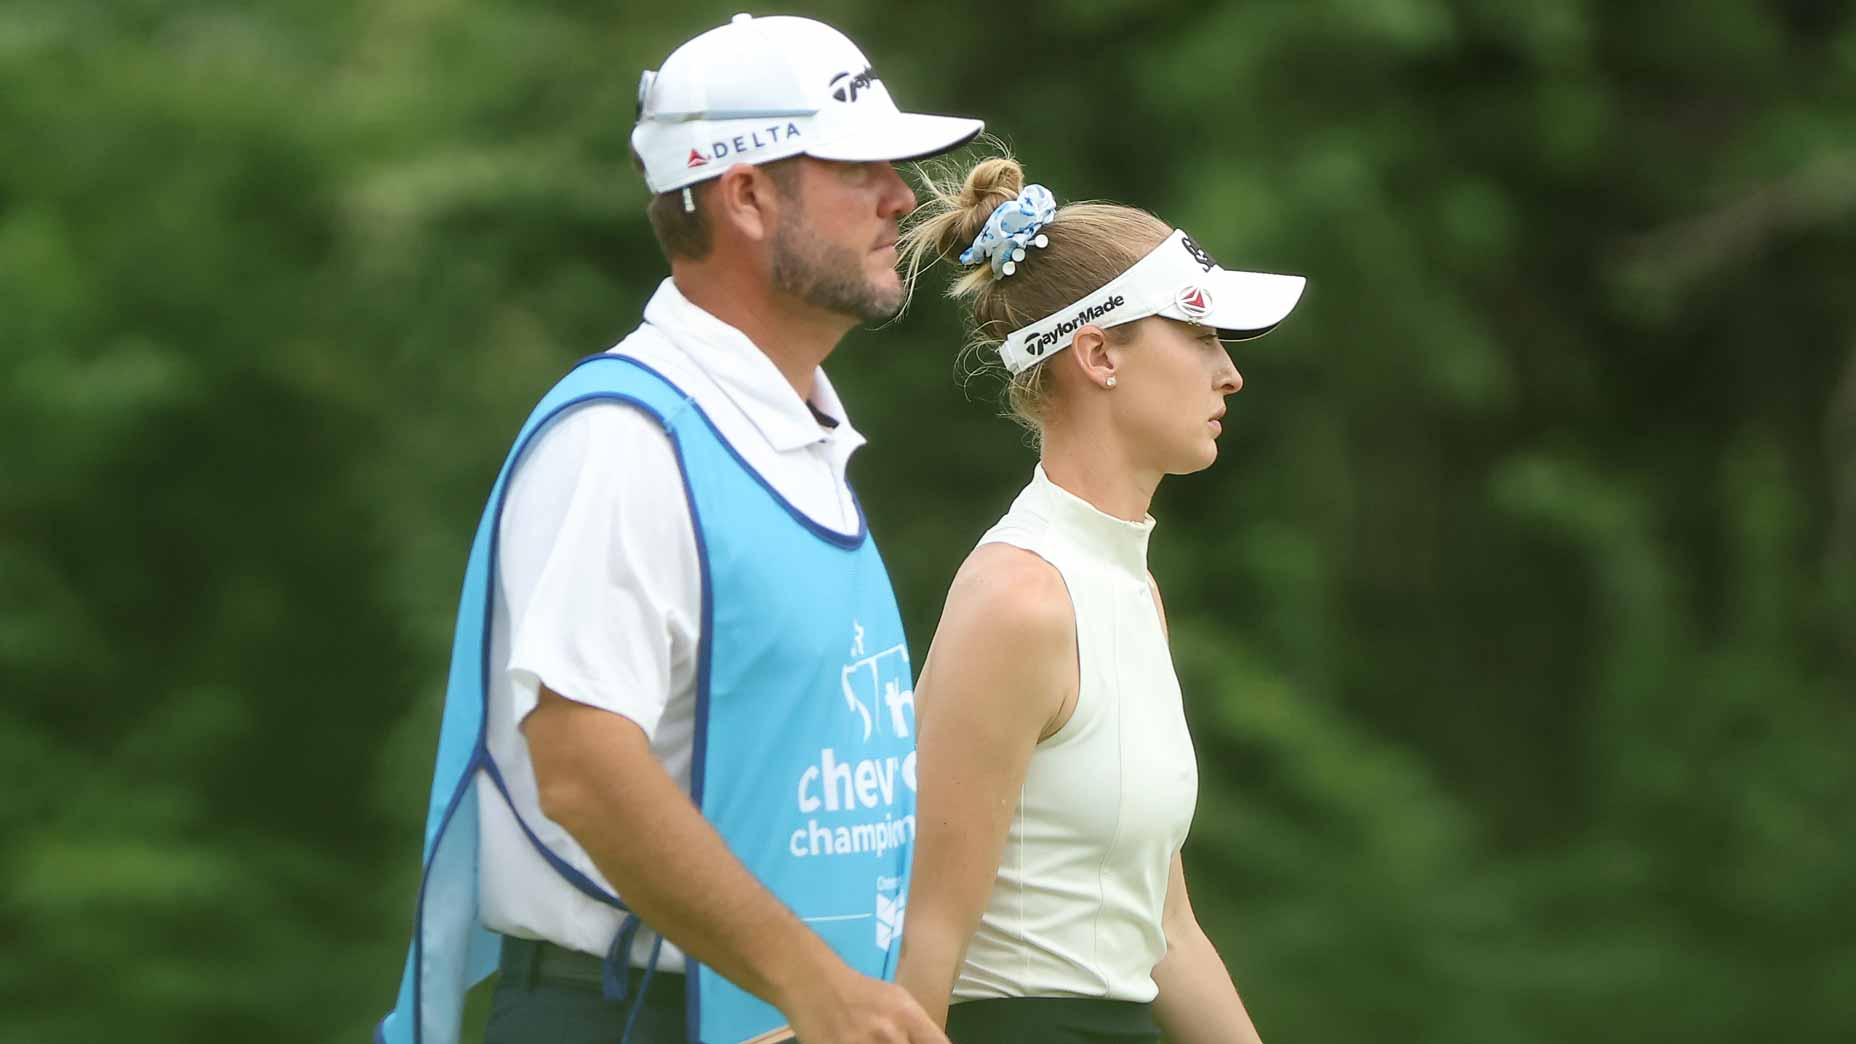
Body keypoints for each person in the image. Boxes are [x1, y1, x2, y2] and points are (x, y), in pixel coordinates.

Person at [376, 14, 982, 1044]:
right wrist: (813, 984)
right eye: (854, 166)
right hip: (623, 1018)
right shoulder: (626, 436)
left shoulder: (792, 436)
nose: (899, 196)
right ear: (745, 195)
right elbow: (577, 760)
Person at [890, 155, 1307, 1044]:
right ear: (1096, 354)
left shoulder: (1129, 590)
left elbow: (1165, 933)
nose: (1228, 374)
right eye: (1199, 336)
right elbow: (921, 939)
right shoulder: (1018, 598)